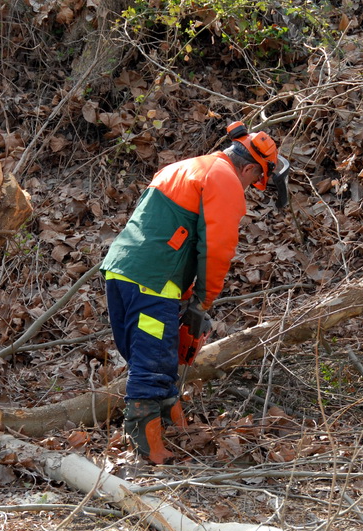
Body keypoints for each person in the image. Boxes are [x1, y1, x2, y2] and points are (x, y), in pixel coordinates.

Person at [100, 122, 289, 464]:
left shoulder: (182, 168)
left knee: (154, 356)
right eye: (253, 181)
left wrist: (185, 295)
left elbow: (171, 235)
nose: (247, 188)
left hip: (122, 269)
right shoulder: (224, 178)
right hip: (154, 280)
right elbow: (216, 249)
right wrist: (203, 300)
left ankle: (175, 429)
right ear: (249, 169)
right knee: (152, 363)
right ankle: (150, 452)